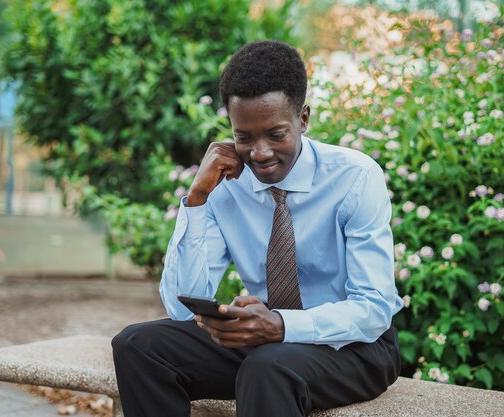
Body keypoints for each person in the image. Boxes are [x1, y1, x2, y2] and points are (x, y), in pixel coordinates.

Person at [112, 40, 402, 417]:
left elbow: (374, 309)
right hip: (267, 342)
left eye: (276, 134)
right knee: (137, 345)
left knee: (268, 368)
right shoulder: (224, 184)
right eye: (244, 137)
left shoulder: (356, 178)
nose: (260, 153)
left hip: (356, 345)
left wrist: (281, 325)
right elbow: (182, 309)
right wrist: (197, 199)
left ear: (303, 119)